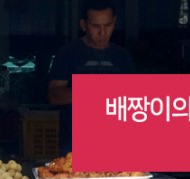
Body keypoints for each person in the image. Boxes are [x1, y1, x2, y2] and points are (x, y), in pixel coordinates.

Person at [49, 0, 135, 155]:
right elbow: (54, 95)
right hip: (74, 148)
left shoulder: (123, 57)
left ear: (114, 22)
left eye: (108, 25)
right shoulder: (68, 53)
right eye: (96, 26)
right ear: (83, 25)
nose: (103, 33)